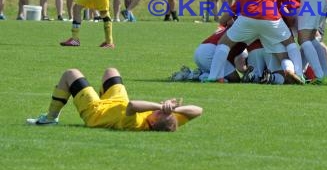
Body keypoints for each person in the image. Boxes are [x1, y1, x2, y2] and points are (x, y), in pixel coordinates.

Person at [207, 0, 304, 84]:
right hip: (270, 16)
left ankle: (214, 77)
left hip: (248, 16)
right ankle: (295, 72)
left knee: (223, 44)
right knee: (289, 43)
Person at [26, 67, 203, 131]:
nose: (158, 110)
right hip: (117, 103)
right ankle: (93, 93)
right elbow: (198, 111)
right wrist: (173, 109)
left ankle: (50, 118)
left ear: (154, 119)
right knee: (112, 71)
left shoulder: (135, 124)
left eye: (159, 112)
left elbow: (133, 105)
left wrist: (160, 105)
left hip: (96, 112)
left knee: (70, 74)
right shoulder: (169, 119)